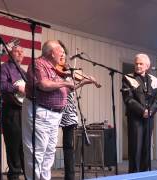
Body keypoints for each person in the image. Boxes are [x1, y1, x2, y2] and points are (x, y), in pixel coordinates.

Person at [22, 40, 74, 180]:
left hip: (55, 115)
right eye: (61, 51)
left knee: (49, 152)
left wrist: (83, 81)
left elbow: (67, 90)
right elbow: (44, 85)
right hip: (40, 111)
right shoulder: (38, 63)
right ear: (52, 52)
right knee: (37, 152)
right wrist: (64, 81)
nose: (63, 54)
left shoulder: (56, 68)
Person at [57, 40, 98, 180]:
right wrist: (82, 82)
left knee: (69, 145)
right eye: (60, 54)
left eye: (63, 54)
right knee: (47, 144)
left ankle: (70, 176)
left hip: (69, 110)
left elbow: (71, 89)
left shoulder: (69, 70)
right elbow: (66, 87)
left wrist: (85, 81)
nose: (62, 58)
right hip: (54, 108)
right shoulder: (52, 69)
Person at [0, 46, 26, 180]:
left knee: (25, 147)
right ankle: (14, 176)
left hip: (24, 112)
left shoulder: (24, 72)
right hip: (11, 111)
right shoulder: (4, 68)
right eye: (17, 51)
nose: (20, 53)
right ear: (9, 53)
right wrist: (16, 87)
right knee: (13, 148)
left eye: (22, 51)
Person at [121, 53, 157, 172]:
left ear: (147, 66)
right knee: (135, 148)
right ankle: (134, 175)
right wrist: (142, 111)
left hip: (149, 117)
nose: (138, 66)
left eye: (141, 64)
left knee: (146, 148)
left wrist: (151, 111)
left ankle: (145, 174)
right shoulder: (128, 78)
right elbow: (128, 99)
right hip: (135, 117)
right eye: (136, 63)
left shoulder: (154, 79)